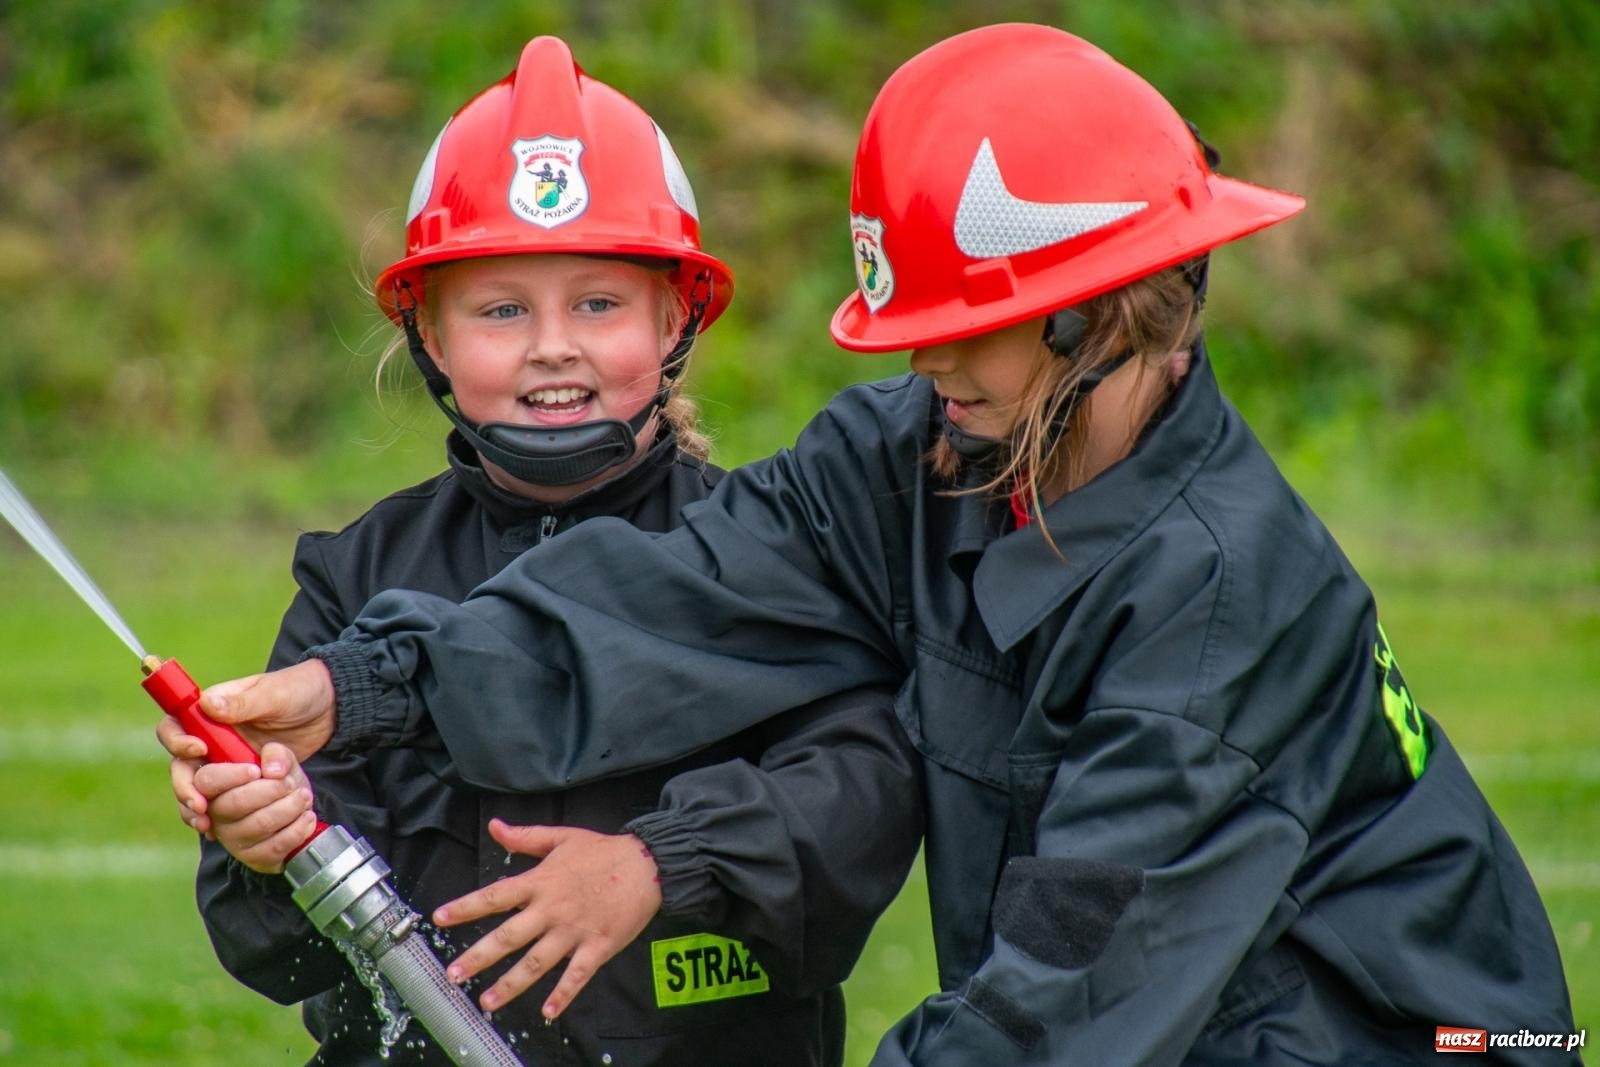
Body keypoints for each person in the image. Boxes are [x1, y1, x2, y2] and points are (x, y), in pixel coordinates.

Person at [177, 24, 1577, 1066]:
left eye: (962, 329)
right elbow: (679, 596)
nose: (927, 366)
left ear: (1099, 314)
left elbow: (1068, 996)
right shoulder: (913, 451)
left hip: (1376, 1033)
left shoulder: (1221, 593)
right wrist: (368, 687)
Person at [158, 35, 922, 1067]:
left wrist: (662, 862)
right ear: (426, 330)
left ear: (675, 315)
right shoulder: (353, 578)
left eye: (597, 303)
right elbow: (282, 957)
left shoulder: (761, 553)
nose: (550, 345)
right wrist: (263, 842)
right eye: (501, 308)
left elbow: (859, 799)